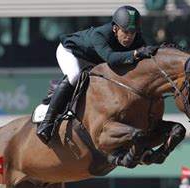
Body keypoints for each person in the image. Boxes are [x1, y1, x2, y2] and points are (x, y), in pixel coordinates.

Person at [36, 5, 159, 144]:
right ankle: (47, 123)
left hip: (93, 59)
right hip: (71, 52)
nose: (129, 37)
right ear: (115, 28)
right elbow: (111, 59)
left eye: (132, 32)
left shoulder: (136, 38)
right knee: (75, 76)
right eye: (125, 32)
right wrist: (136, 53)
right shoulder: (100, 35)